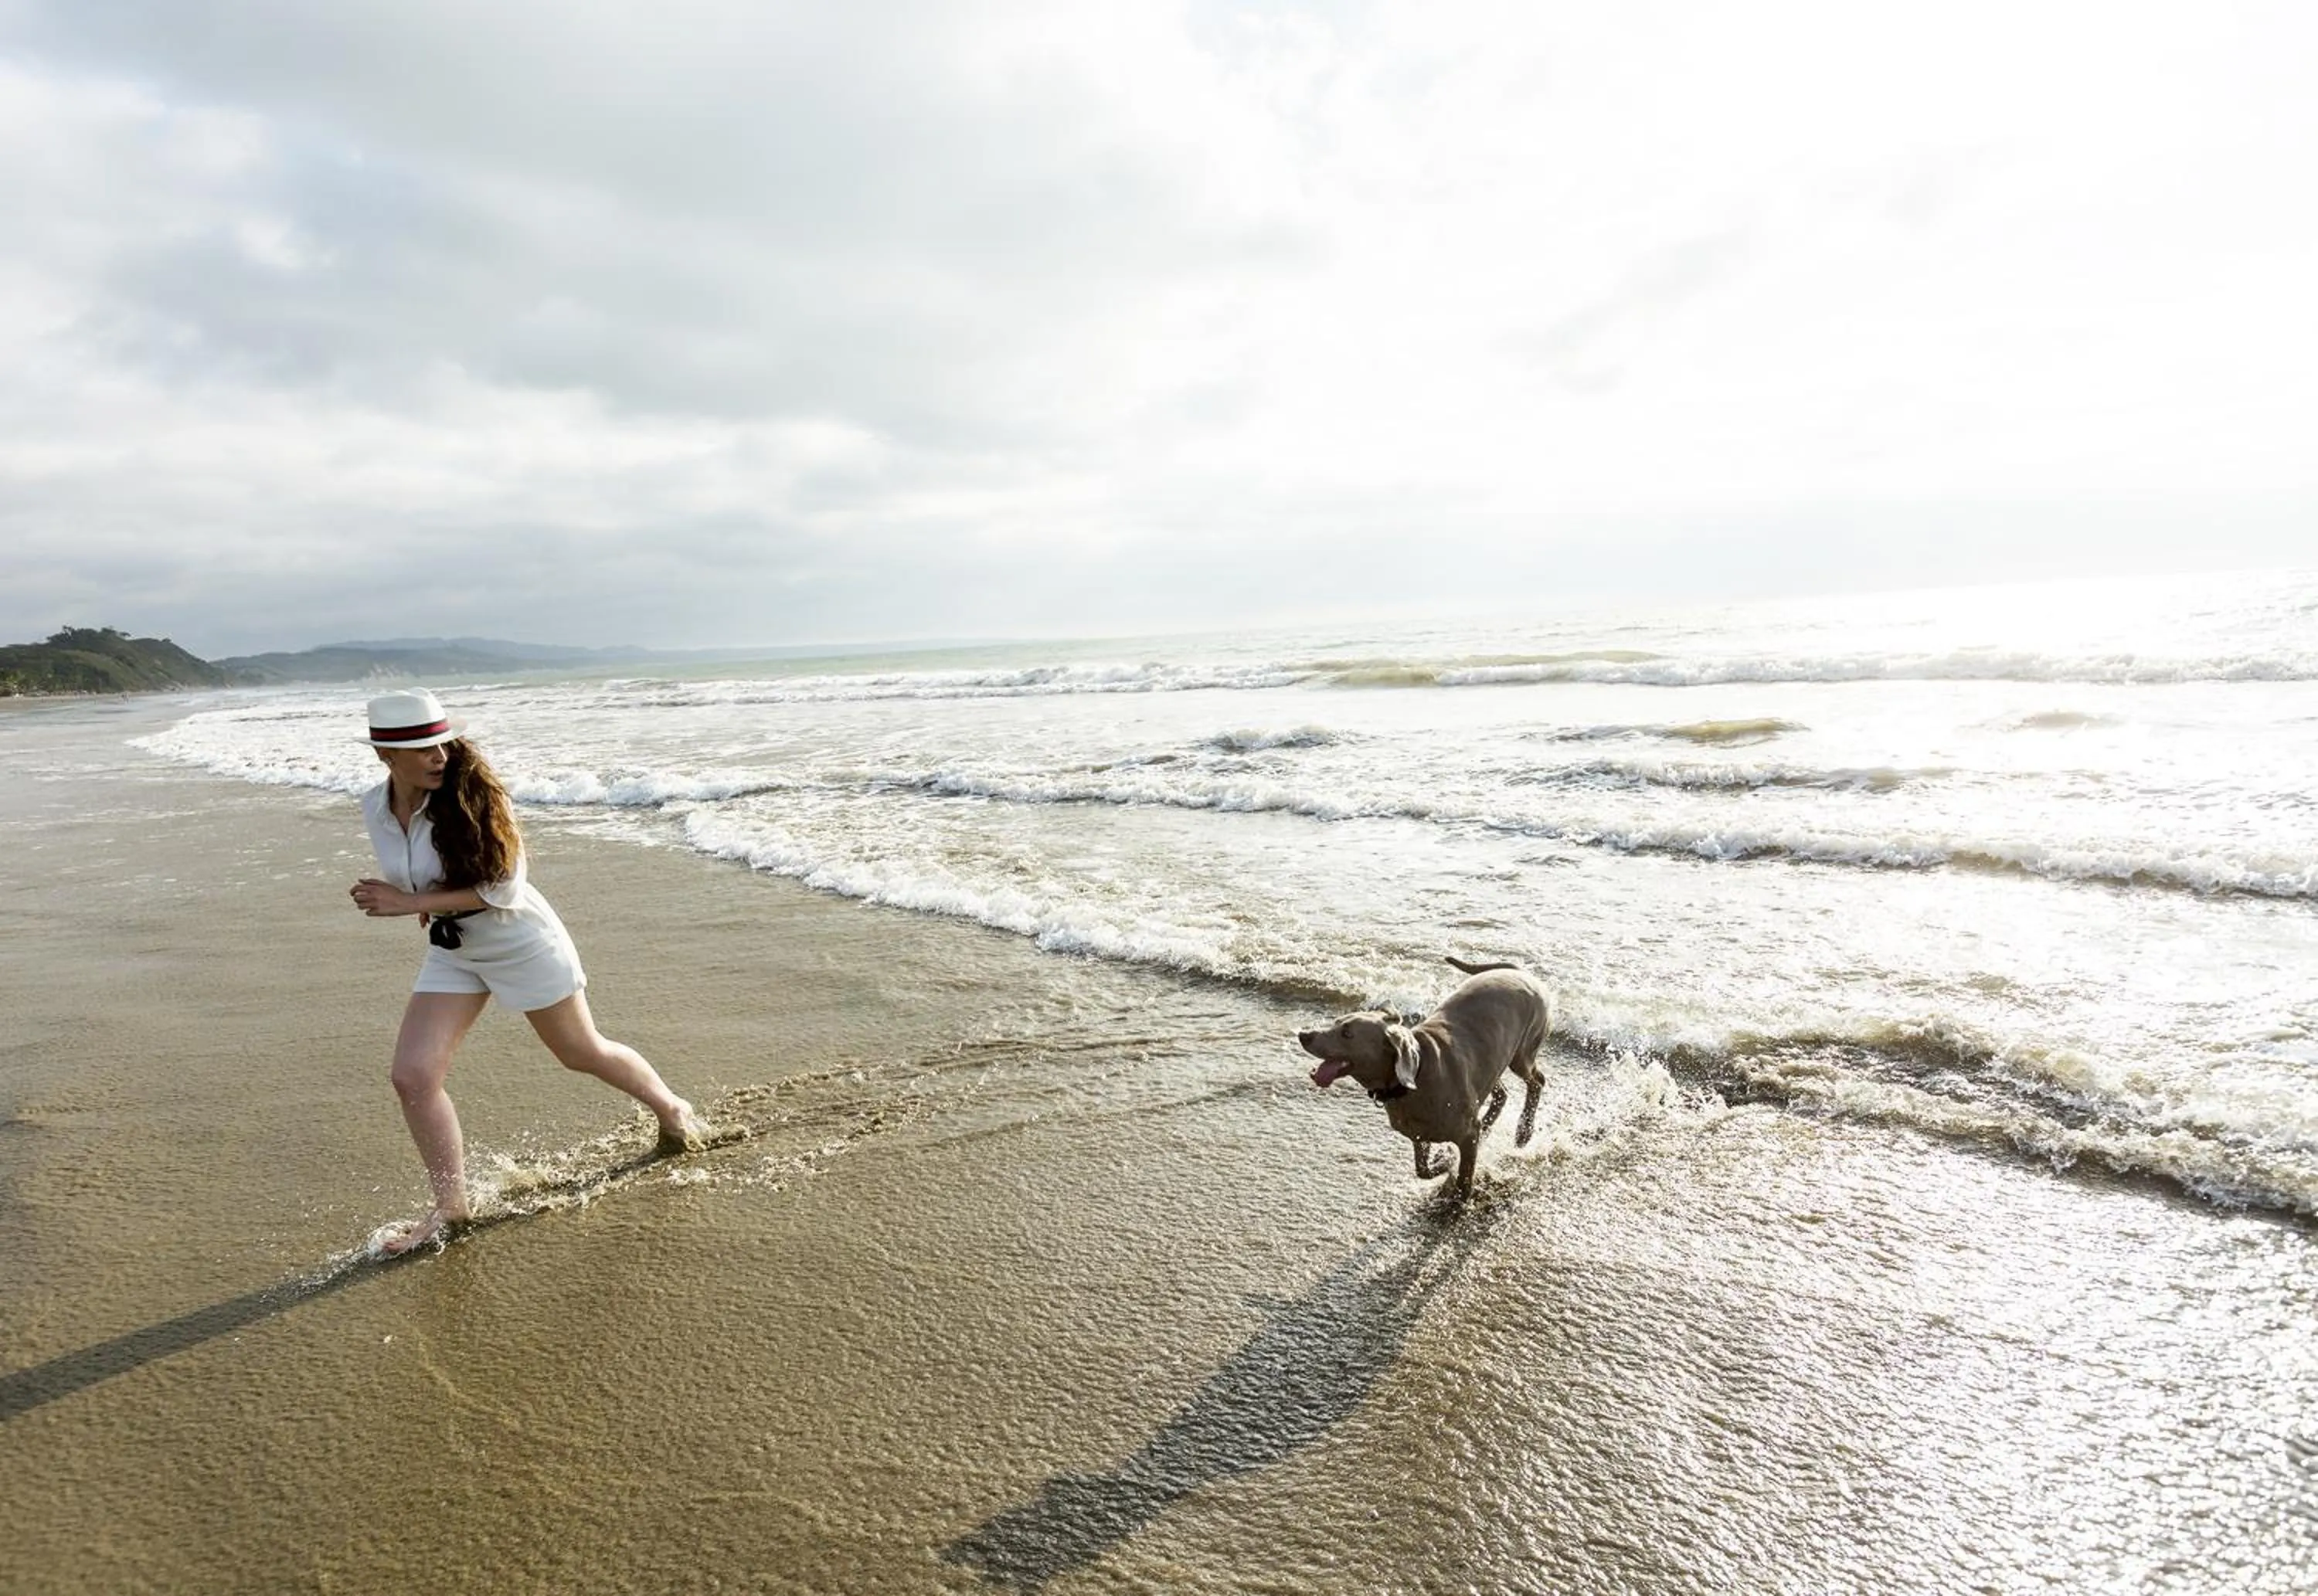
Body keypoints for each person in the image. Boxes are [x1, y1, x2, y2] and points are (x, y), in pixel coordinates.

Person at [349, 688, 706, 1254]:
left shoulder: (477, 796)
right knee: (412, 1078)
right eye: (422, 748)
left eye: (441, 742)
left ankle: (671, 1107)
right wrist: (419, 900)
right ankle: (451, 1205)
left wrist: (408, 903)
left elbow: (503, 889)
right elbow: (418, 880)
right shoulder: (375, 806)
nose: (439, 756)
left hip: (521, 942)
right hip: (455, 949)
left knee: (580, 1053)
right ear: (385, 757)